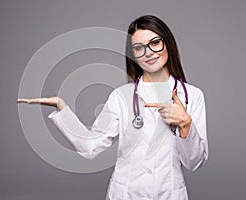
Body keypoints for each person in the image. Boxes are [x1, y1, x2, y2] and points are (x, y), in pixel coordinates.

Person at [17, 15, 208, 200]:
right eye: (139, 48)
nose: (148, 52)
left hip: (169, 193)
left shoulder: (192, 96)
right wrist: (62, 108)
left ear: (168, 44)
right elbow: (91, 146)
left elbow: (193, 163)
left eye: (155, 43)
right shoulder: (121, 97)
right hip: (125, 194)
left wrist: (185, 125)